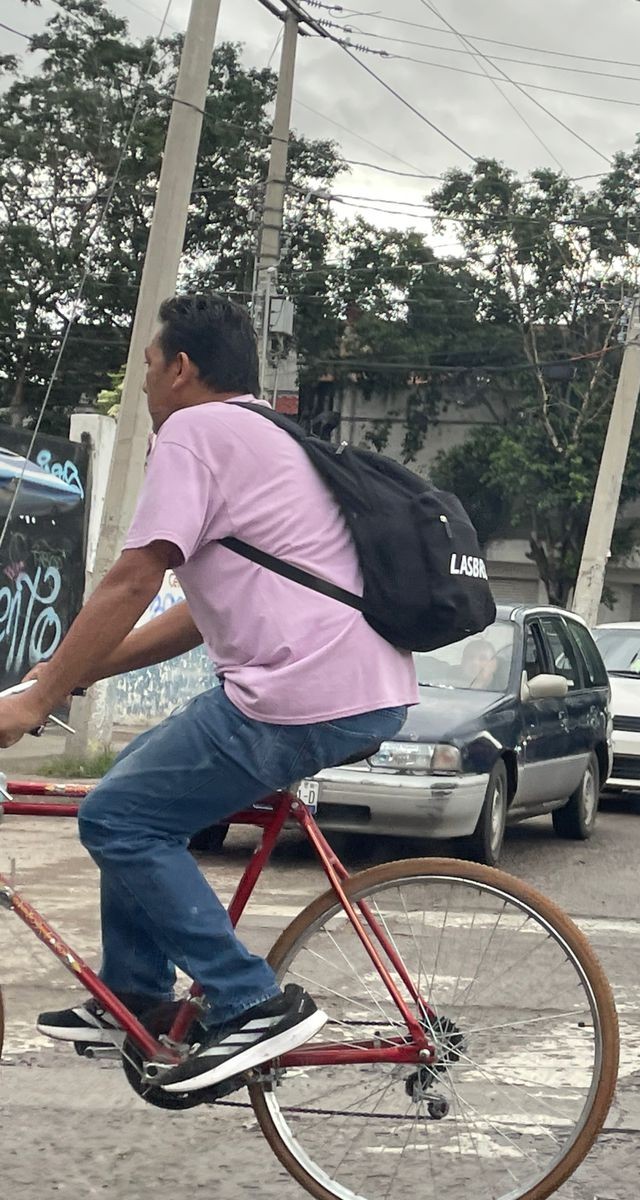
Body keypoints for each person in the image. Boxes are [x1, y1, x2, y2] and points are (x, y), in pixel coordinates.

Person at [0, 295, 417, 1095]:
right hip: (338, 684)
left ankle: (252, 1002)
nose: (144, 385)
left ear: (182, 369)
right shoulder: (266, 434)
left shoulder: (194, 432)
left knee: (116, 818)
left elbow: (134, 576)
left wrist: (33, 699)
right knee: (131, 791)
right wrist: (66, 678)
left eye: (148, 367)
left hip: (300, 691)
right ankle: (140, 996)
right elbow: (196, 616)